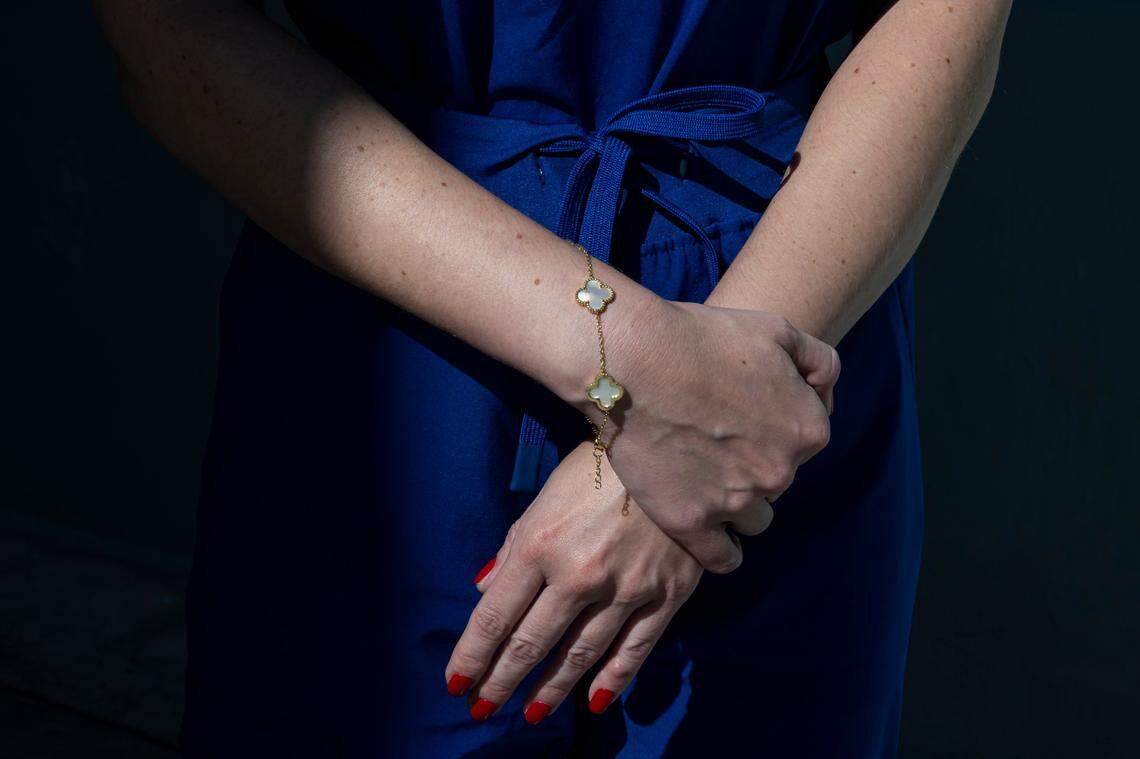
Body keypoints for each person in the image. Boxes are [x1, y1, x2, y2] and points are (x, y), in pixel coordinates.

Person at [95, 0, 1010, 756]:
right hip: (398, 320)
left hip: (780, 303)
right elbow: (167, 31)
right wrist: (643, 373)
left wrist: (716, 398)